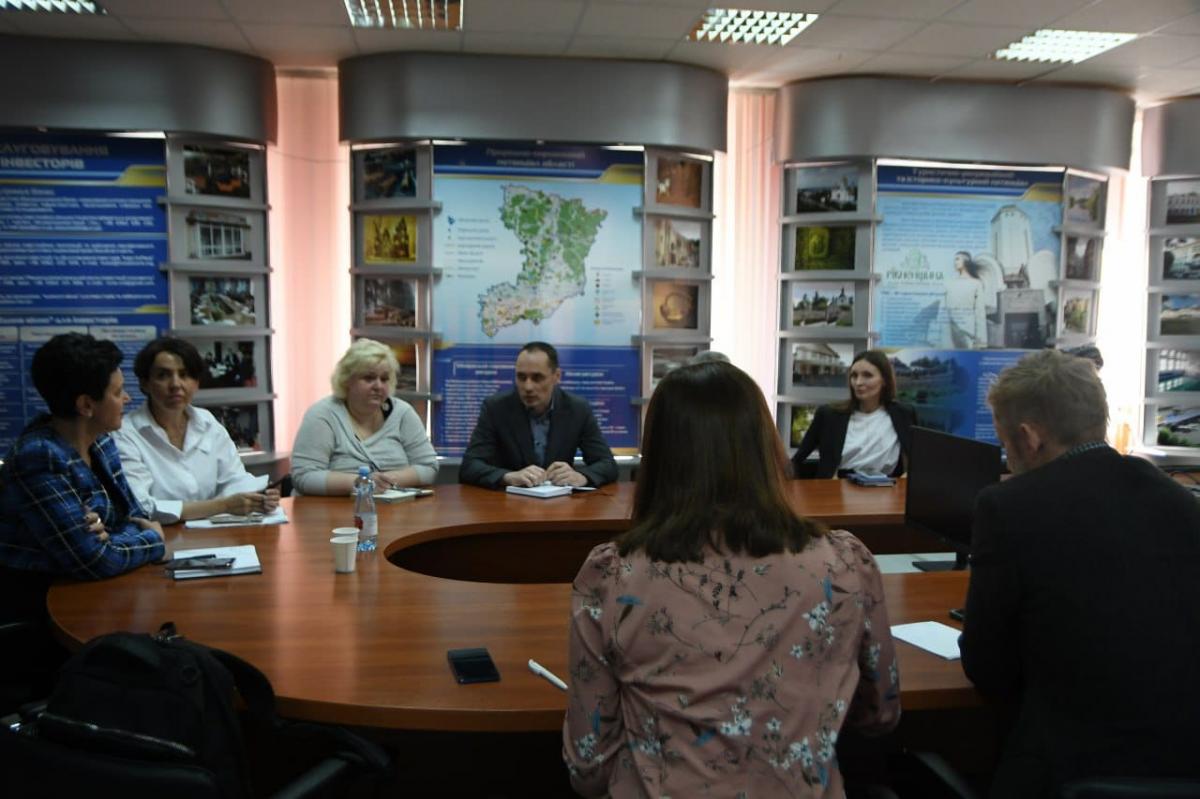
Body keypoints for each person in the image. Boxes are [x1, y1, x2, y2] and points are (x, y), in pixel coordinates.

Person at [562, 360, 900, 798]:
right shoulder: (844, 565)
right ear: (764, 447)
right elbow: (879, 715)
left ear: (659, 458)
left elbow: (589, 768)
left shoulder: (612, 577)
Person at [959, 350, 1200, 798]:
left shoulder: (1008, 507)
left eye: (1005, 442)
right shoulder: (1180, 500)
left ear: (1029, 438)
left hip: (1067, 771)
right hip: (1185, 765)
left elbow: (986, 667)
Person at [0, 334, 166, 617]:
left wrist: (111, 538)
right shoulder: (38, 457)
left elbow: (136, 517)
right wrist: (153, 540)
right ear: (86, 405)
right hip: (43, 603)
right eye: (118, 392)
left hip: (99, 590)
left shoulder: (101, 442)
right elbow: (95, 561)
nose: (127, 399)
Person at [113, 337, 278, 523]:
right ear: (145, 383)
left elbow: (233, 479)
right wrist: (223, 506)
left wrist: (256, 496)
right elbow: (141, 507)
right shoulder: (125, 433)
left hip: (214, 531)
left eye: (184, 375)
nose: (176, 384)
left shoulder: (207, 422)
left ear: (196, 383)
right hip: (160, 535)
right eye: (163, 375)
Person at [459, 342, 617, 489]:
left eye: (537, 378)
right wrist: (508, 477)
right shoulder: (496, 408)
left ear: (556, 376)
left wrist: (581, 477)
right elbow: (469, 467)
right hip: (509, 502)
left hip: (560, 503)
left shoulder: (577, 409)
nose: (528, 387)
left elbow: (607, 464)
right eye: (521, 377)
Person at [291, 338, 437, 495]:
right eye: (369, 378)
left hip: (394, 506)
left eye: (384, 379)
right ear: (347, 380)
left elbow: (428, 467)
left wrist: (385, 481)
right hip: (333, 508)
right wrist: (362, 482)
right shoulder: (323, 415)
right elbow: (304, 477)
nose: (378, 386)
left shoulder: (402, 413)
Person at [790, 349, 917, 478]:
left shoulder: (904, 414)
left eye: (867, 375)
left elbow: (916, 463)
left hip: (888, 487)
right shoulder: (829, 415)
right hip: (837, 486)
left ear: (884, 380)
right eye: (854, 376)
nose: (858, 382)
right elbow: (797, 461)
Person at [944, 250, 988, 349]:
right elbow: (943, 311)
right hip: (951, 331)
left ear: (966, 261)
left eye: (957, 259)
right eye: (954, 260)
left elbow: (980, 313)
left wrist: (981, 341)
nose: (954, 262)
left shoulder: (976, 283)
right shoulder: (949, 283)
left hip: (968, 332)